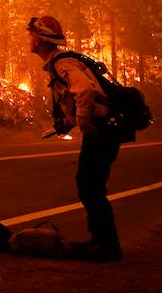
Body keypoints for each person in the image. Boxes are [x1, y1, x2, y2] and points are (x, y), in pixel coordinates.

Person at [27, 15, 123, 262]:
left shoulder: (62, 64)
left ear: (40, 40)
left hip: (102, 130)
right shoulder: (60, 63)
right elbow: (77, 95)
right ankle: (102, 242)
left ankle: (106, 247)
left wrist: (84, 122)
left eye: (32, 35)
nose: (30, 39)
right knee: (91, 185)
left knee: (89, 185)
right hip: (105, 129)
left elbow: (85, 90)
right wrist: (67, 124)